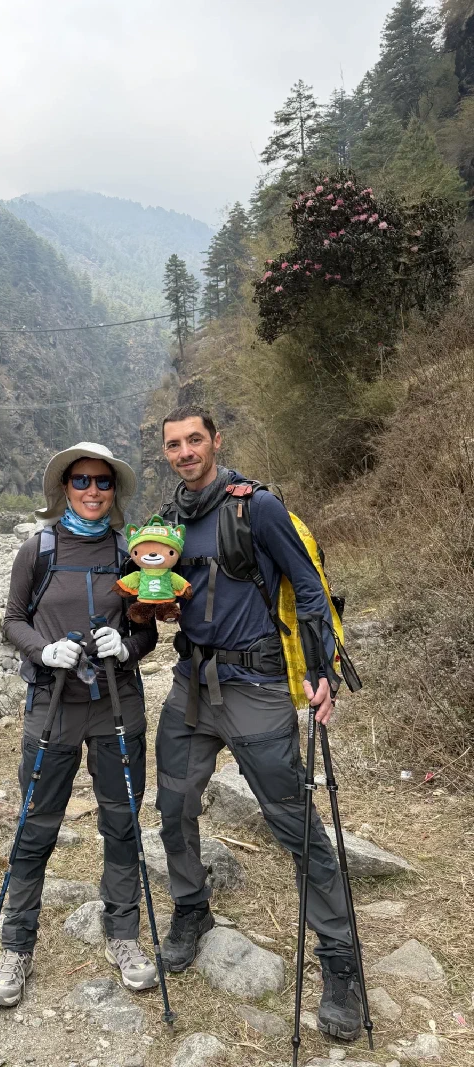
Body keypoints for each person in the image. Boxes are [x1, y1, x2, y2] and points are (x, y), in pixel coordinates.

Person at [154, 405, 362, 1043]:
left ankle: (339, 959)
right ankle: (192, 908)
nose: (186, 452)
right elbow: (169, 600)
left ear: (216, 441)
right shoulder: (170, 521)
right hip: (190, 684)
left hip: (258, 685)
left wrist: (322, 670)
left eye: (195, 440)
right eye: (173, 445)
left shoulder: (256, 507)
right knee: (172, 806)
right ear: (165, 453)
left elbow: (307, 585)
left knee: (293, 821)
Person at [0, 442, 158, 1009]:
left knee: (122, 821)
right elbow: (11, 621)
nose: (91, 490)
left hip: (116, 704)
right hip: (52, 704)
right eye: (81, 480)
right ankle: (15, 946)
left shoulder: (129, 554)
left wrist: (126, 647)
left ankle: (125, 936)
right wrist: (44, 650)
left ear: (113, 492)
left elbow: (148, 632)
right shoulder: (38, 550)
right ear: (64, 486)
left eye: (102, 483)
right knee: (36, 827)